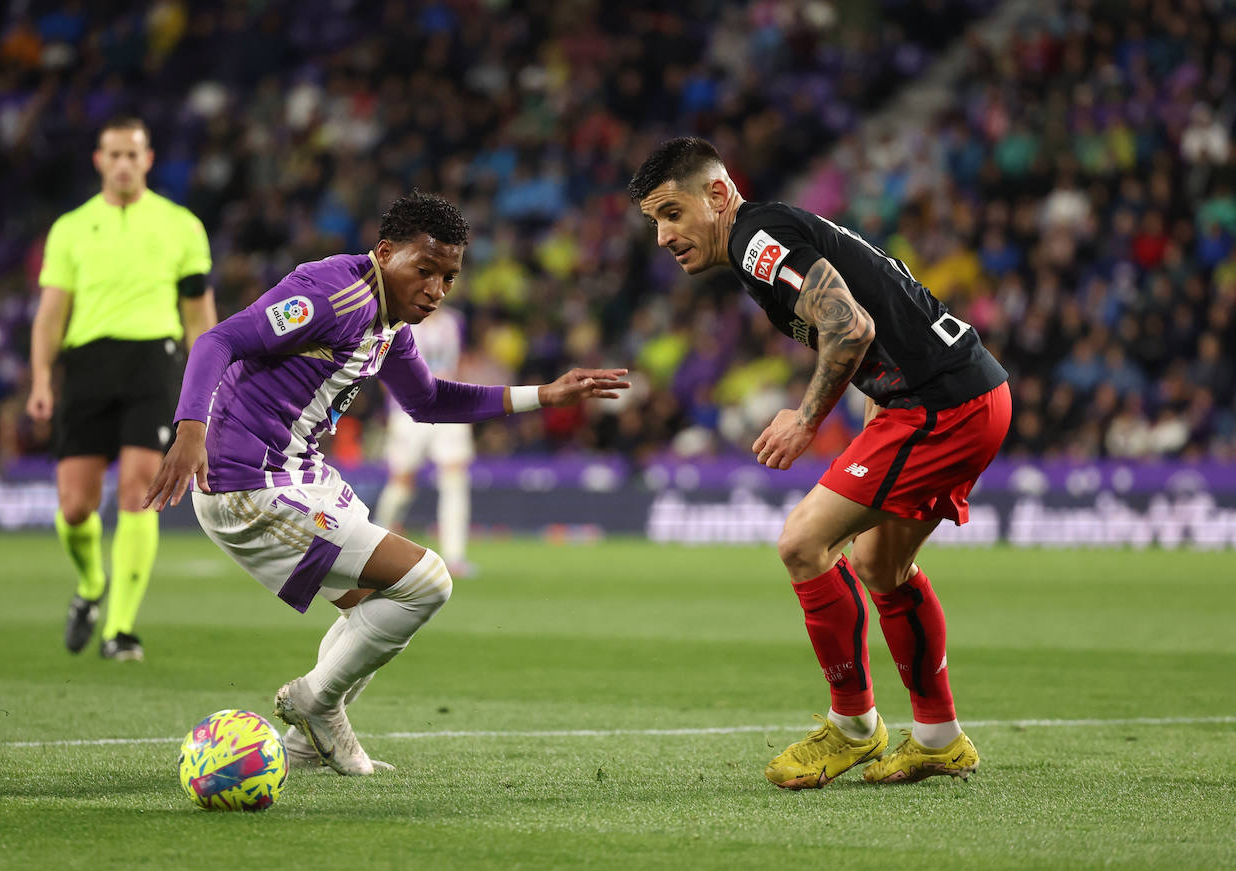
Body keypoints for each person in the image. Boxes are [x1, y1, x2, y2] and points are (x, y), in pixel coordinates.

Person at [142, 190, 628, 776]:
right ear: (385, 252)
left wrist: (542, 395)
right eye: (423, 270)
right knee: (427, 581)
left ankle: (305, 745)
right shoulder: (332, 295)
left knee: (379, 605)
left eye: (448, 277)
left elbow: (426, 400)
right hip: (248, 483)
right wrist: (190, 428)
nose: (435, 289)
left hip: (295, 473)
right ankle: (315, 703)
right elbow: (218, 340)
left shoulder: (389, 322)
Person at [628, 137, 1010, 788]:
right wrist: (875, 410)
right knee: (878, 563)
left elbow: (852, 327)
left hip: (943, 404)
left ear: (718, 195)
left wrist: (805, 419)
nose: (664, 236)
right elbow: (884, 321)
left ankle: (854, 726)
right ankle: (939, 738)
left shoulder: (757, 242)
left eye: (671, 213)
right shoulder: (772, 234)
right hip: (961, 393)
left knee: (803, 543)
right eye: (654, 222)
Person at [27, 115, 217, 662]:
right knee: (75, 506)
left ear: (148, 159)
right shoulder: (70, 228)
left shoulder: (182, 226)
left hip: (153, 362)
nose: (124, 164)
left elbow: (200, 319)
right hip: (86, 365)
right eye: (114, 154)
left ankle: (120, 630)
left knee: (139, 489)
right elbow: (49, 315)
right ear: (99, 160)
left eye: (133, 154)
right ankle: (90, 586)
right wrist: (42, 378)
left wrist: (206, 390)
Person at [372, 306, 477, 577]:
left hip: (447, 406)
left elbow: (459, 360)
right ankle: (377, 540)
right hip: (408, 411)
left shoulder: (455, 321)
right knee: (402, 483)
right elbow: (383, 364)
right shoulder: (400, 320)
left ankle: (454, 557)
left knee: (455, 478)